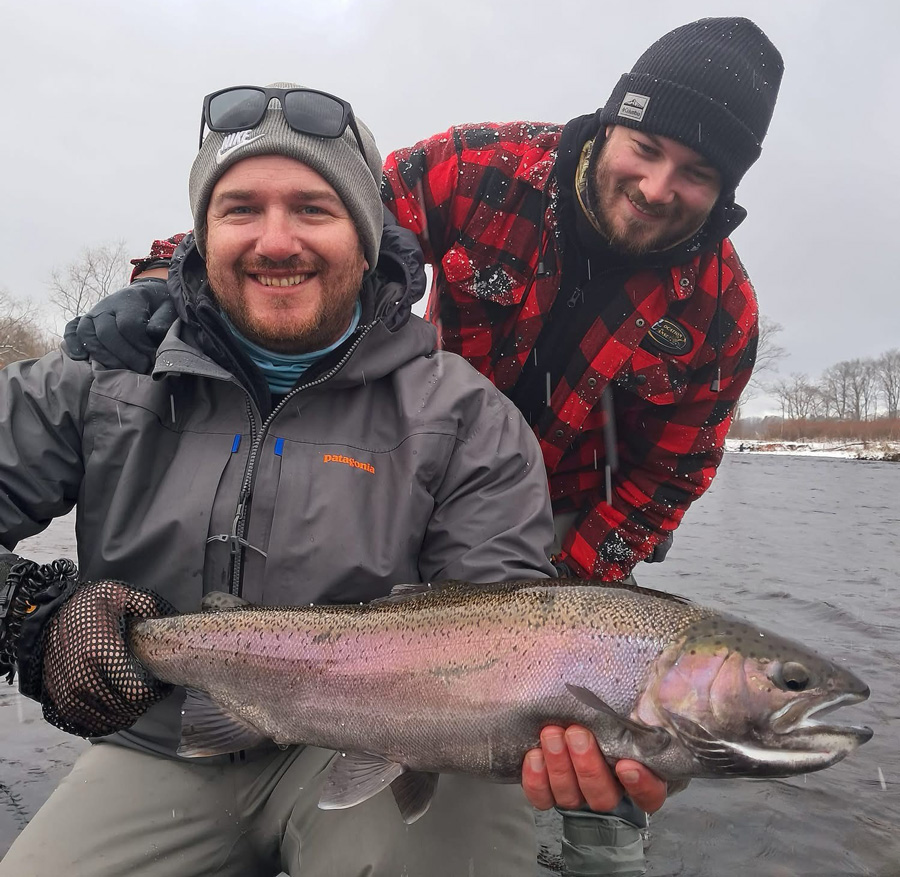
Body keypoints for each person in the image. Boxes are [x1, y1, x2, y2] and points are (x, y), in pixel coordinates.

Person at [66, 16, 785, 871]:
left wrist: (544, 617)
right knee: (378, 666)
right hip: (413, 461)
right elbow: (319, 212)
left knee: (586, 759)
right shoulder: (481, 169)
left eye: (698, 173)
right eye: (647, 146)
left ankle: (582, 828)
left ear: (728, 190)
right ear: (609, 122)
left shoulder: (721, 314)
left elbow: (668, 481)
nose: (659, 185)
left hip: (565, 539)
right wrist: (164, 278)